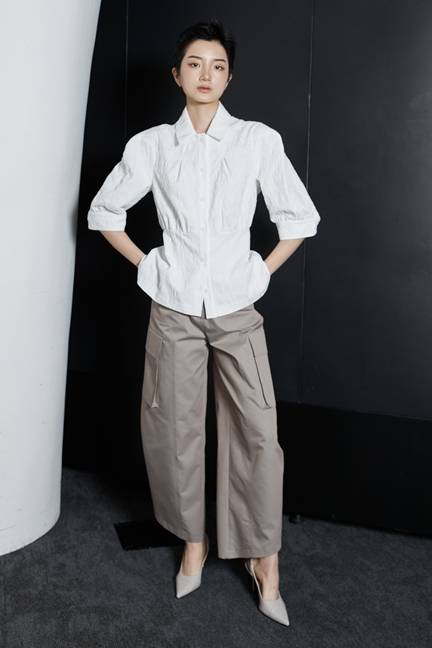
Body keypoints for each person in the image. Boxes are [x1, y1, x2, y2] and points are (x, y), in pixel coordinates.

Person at [87, 19, 320, 626]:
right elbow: (104, 212)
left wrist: (258, 271)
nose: (206, 75)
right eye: (194, 64)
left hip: (237, 309)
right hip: (174, 309)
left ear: (229, 77)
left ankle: (265, 558)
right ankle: (194, 541)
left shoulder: (256, 140)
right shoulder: (152, 146)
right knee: (174, 431)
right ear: (177, 74)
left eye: (217, 66)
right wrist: (149, 265)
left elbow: (299, 219)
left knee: (259, 434)